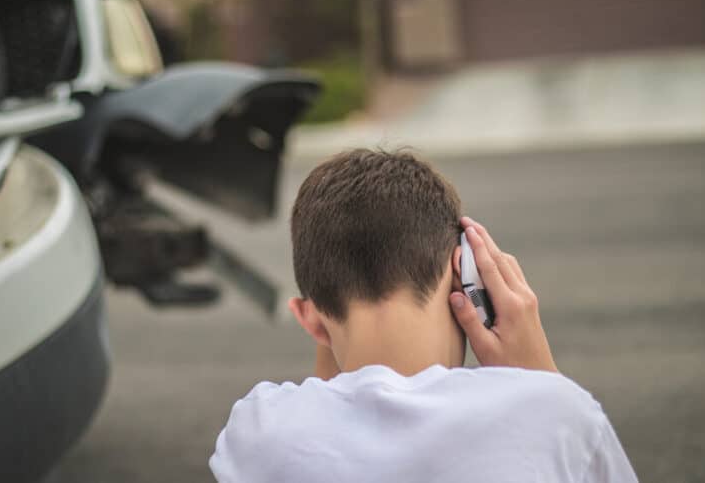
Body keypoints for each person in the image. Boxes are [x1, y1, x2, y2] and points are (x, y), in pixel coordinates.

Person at [209, 149, 637, 482]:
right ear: (465, 278)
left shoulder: (258, 431)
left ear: (311, 321)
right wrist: (539, 378)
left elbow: (328, 399)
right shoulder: (556, 415)